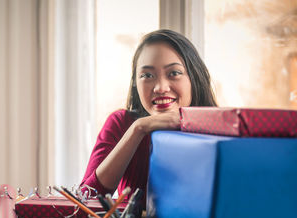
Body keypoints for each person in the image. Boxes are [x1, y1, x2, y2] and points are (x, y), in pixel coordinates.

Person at [80, 29, 217, 206]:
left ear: (194, 77)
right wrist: (138, 129)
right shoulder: (122, 124)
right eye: (147, 75)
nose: (160, 87)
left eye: (174, 73)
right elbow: (84, 200)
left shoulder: (217, 129)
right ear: (136, 82)